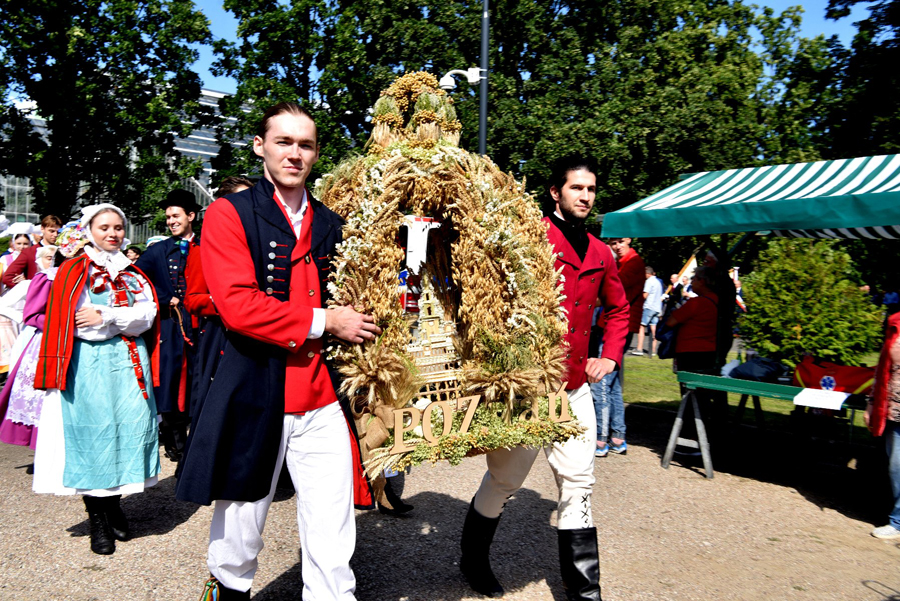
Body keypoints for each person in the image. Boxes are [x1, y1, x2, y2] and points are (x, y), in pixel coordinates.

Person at [176, 103, 378, 601]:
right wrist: (326, 321)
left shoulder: (332, 222)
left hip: (322, 396)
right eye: (283, 142)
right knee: (240, 525)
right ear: (259, 146)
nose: (294, 153)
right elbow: (240, 306)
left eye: (305, 144)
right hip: (254, 387)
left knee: (332, 528)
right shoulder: (230, 212)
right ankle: (226, 591)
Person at [460, 156, 629, 601]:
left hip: (574, 388)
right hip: (528, 390)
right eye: (577, 188)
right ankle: (473, 560)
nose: (586, 197)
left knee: (578, 482)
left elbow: (619, 309)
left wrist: (609, 357)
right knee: (505, 481)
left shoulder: (600, 252)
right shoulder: (526, 239)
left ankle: (584, 591)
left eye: (591, 189)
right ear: (556, 192)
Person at [31, 205, 161, 556]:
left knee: (125, 433)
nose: (113, 234)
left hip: (129, 365)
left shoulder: (132, 271)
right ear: (90, 230)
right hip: (87, 367)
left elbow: (147, 315)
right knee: (94, 436)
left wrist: (107, 314)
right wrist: (120, 319)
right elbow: (79, 325)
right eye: (105, 227)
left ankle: (114, 504)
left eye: (119, 227)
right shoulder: (74, 271)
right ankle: (98, 519)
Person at [136, 189, 201, 462]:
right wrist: (164, 297)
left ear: (191, 216)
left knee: (199, 379)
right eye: (168, 217)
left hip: (202, 325)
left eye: (176, 216)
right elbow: (135, 278)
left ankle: (198, 440)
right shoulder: (157, 250)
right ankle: (176, 442)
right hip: (169, 328)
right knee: (171, 381)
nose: (171, 221)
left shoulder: (208, 246)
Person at [0, 245, 57, 449]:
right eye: (48, 257)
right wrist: (25, 320)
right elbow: (3, 305)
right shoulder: (31, 283)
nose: (51, 261)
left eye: (54, 257)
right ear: (39, 261)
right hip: (34, 336)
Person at [593, 238, 644, 457]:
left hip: (618, 327)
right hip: (615, 324)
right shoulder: (627, 262)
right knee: (612, 384)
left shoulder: (633, 263)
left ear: (629, 240)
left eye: (620, 241)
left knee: (601, 381)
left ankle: (601, 440)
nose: (617, 246)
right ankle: (617, 436)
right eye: (613, 243)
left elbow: (612, 287)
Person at [866, 311, 900, 539]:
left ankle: (897, 521)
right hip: (894, 411)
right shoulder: (895, 325)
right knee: (895, 467)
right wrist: (871, 403)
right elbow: (881, 370)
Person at [665, 267, 719, 375]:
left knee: (689, 388)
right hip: (709, 351)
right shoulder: (716, 300)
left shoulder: (696, 303)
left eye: (693, 279)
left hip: (689, 351)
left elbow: (670, 322)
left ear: (702, 281)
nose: (691, 282)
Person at [1, 215, 61, 288]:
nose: (55, 235)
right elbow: (8, 278)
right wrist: (27, 285)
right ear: (42, 229)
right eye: (51, 231)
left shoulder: (63, 252)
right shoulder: (29, 252)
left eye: (58, 232)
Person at [633, 266, 663, 356]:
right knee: (653, 328)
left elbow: (645, 295)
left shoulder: (649, 281)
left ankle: (639, 348)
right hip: (657, 307)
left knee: (641, 326)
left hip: (649, 307)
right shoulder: (658, 282)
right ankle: (653, 350)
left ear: (647, 274)